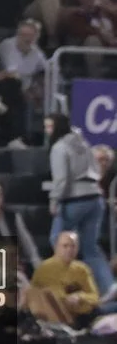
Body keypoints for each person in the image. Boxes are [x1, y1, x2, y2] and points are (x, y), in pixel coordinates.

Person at [48, 112, 113, 297]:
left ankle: (63, 285)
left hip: (74, 200)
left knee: (58, 240)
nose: (47, 131)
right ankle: (108, 286)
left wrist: (54, 200)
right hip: (95, 197)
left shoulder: (59, 147)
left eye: (49, 127)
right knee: (90, 247)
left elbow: (61, 179)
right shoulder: (84, 144)